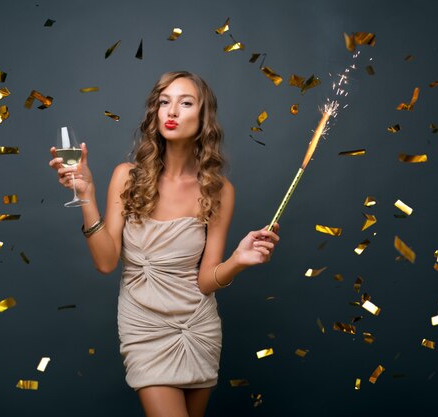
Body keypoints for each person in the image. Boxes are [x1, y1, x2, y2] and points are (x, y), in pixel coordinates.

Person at [49, 71, 279, 417]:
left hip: (197, 326)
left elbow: (205, 281)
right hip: (143, 327)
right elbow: (106, 262)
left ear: (204, 119)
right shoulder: (126, 176)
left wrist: (238, 260)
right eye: (164, 102)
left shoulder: (219, 191)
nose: (171, 111)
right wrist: (86, 197)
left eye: (185, 103)